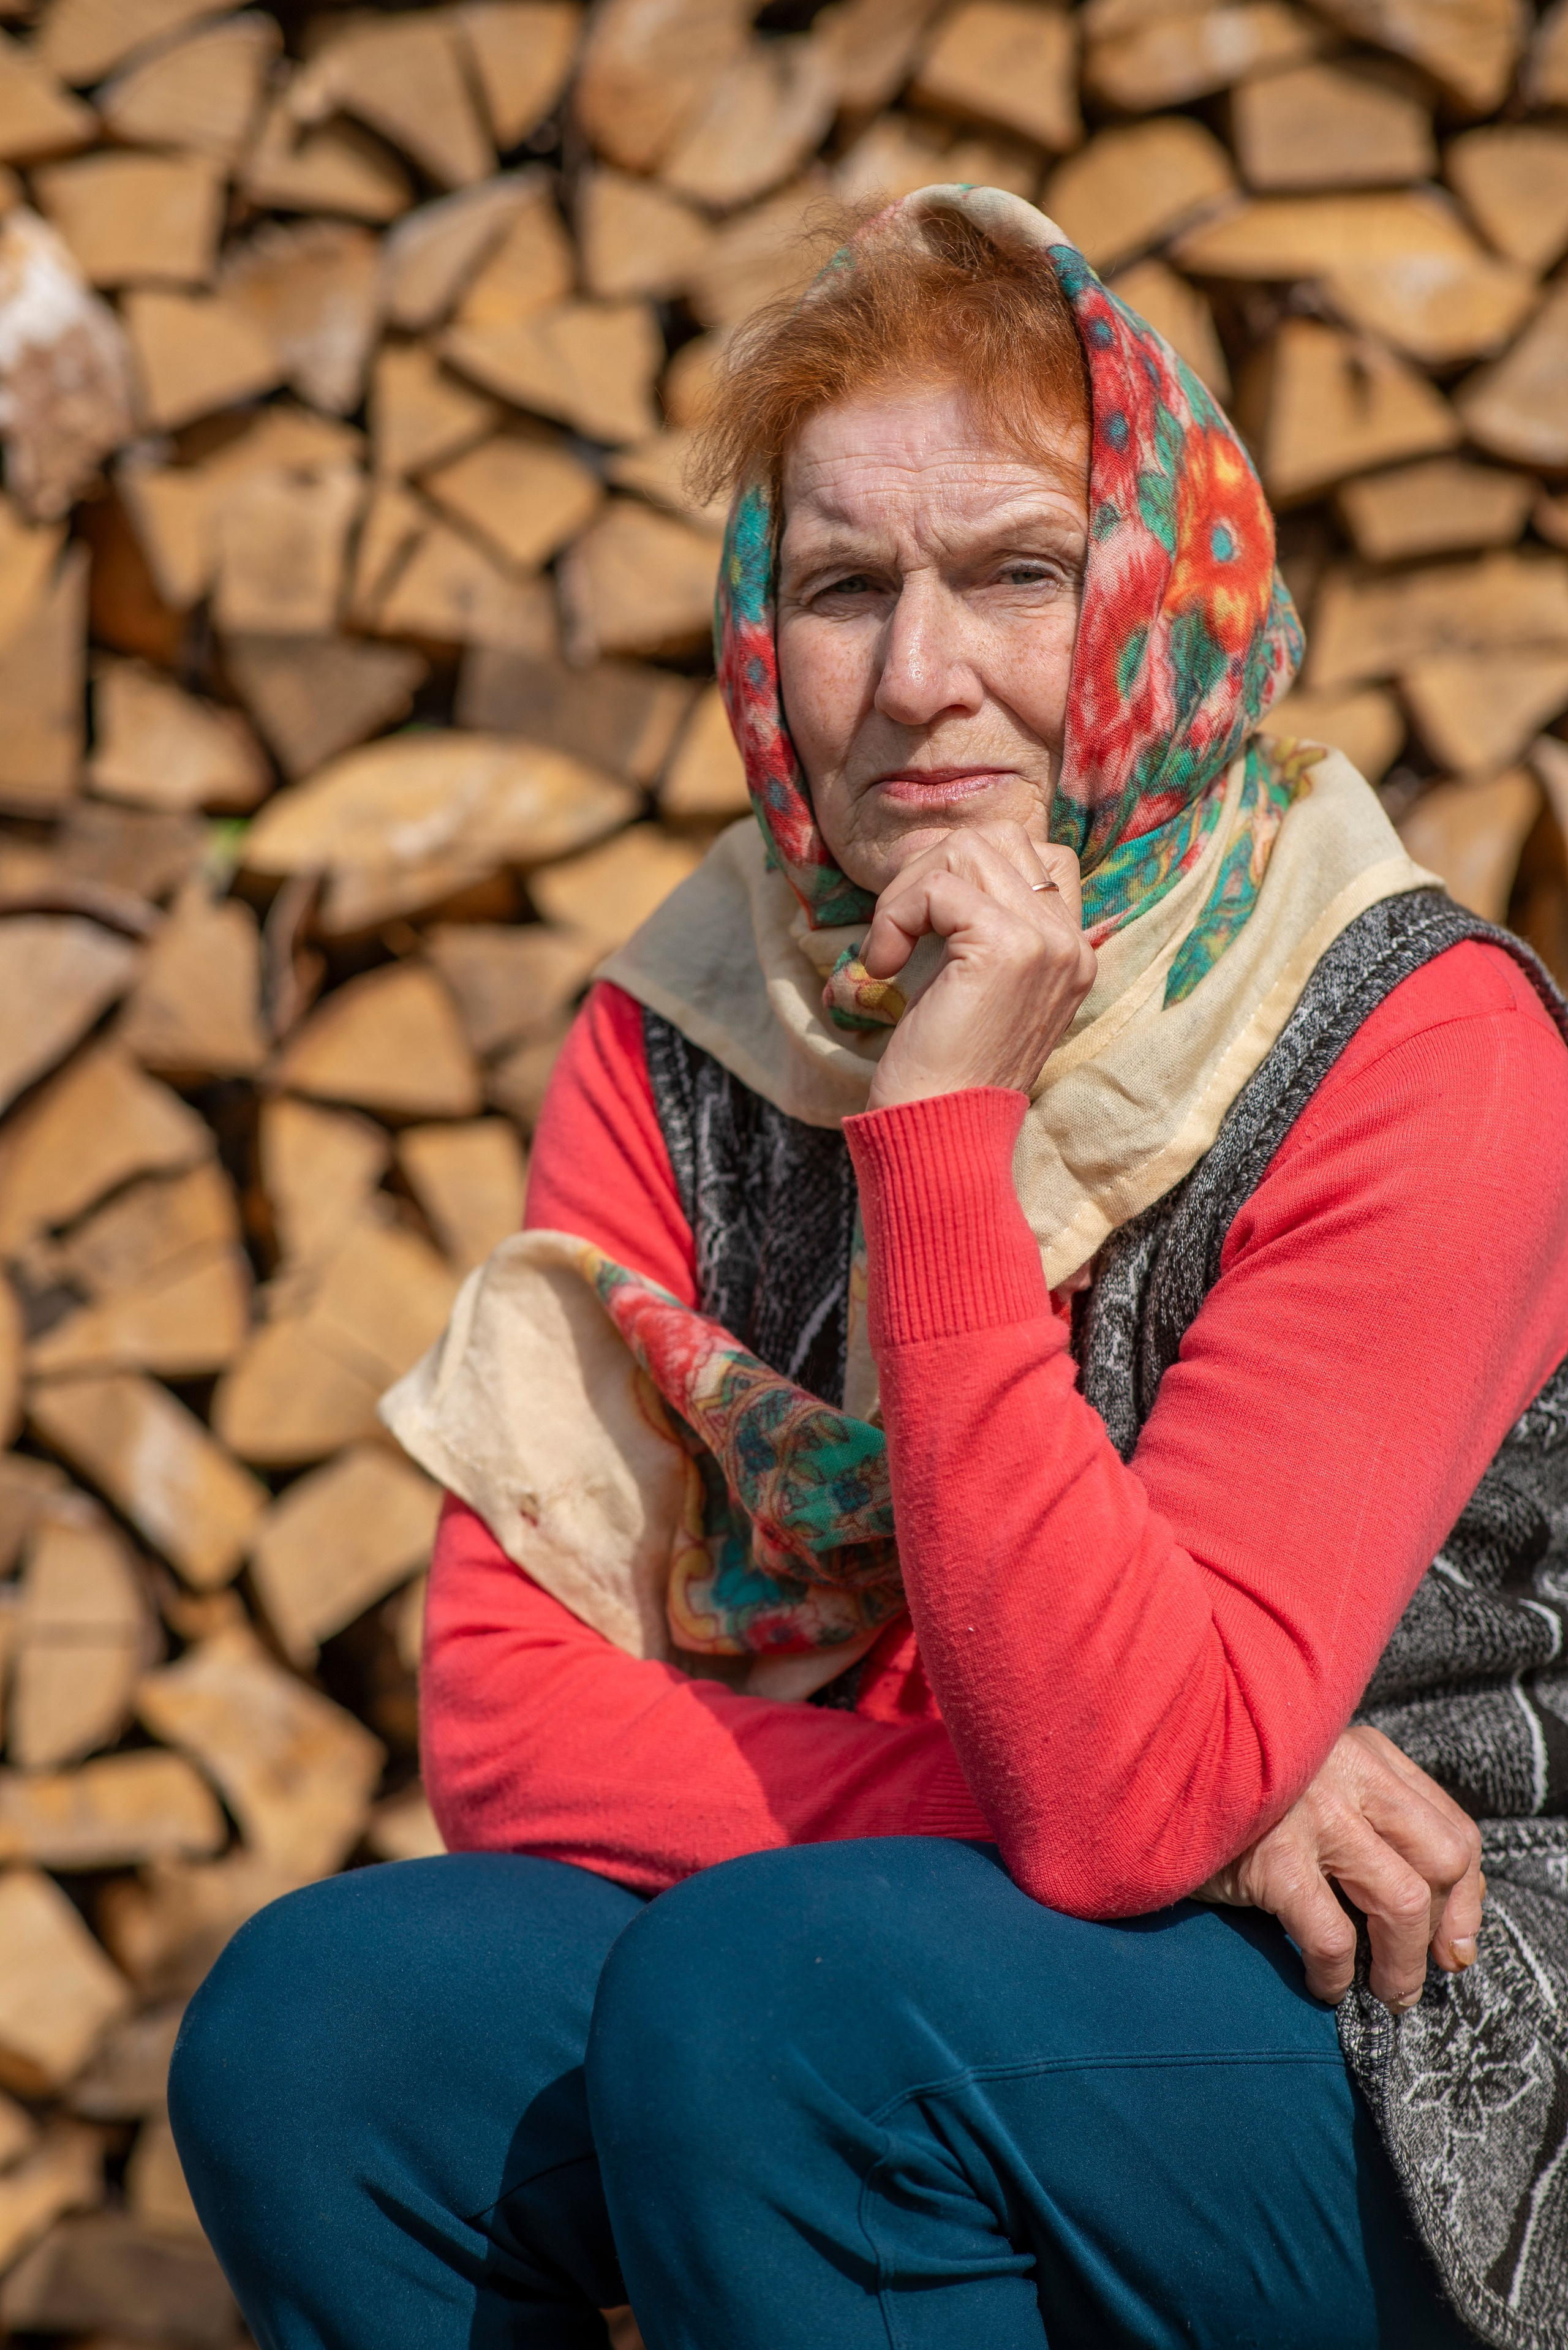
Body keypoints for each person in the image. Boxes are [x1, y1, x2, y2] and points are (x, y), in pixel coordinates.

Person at [169, 188, 1568, 2350]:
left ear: (1164, 599)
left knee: (787, 2017)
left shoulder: (1417, 1046)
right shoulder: (703, 1023)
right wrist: (1172, 1796)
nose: (920, 681)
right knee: (327, 2028)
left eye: (1015, 572)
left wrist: (936, 1134)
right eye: (841, 589)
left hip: (1414, 2008)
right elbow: (508, 1716)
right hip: (946, 1914)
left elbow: (1118, 1800)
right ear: (760, 641)